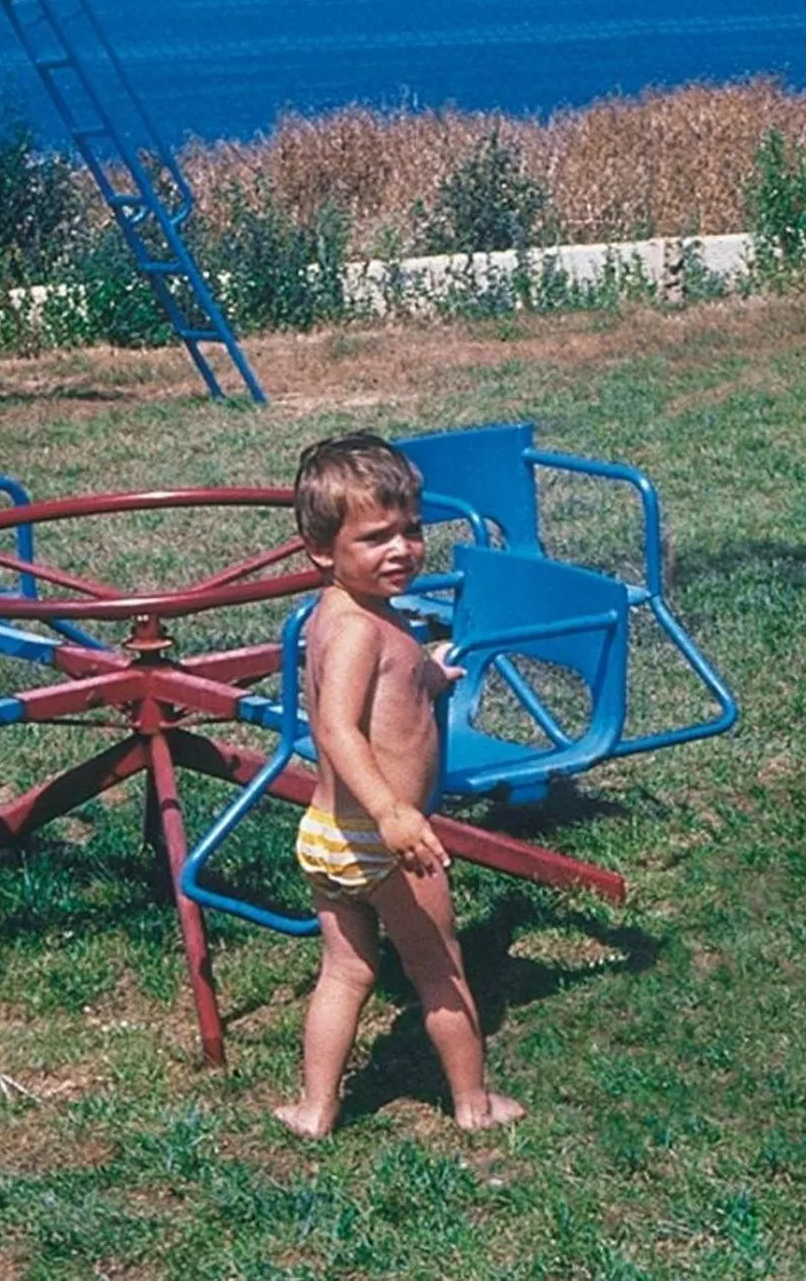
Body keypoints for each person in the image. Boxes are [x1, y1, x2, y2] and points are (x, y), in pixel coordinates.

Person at [274, 431, 526, 1139]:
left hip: (327, 834)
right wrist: (393, 813)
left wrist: (427, 673)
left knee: (347, 970)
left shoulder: (352, 615)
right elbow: (337, 729)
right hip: (382, 835)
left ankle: (315, 1108)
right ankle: (474, 1105)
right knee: (439, 970)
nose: (402, 548)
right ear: (320, 550)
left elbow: (389, 681)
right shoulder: (358, 629)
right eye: (377, 536)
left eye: (411, 529)